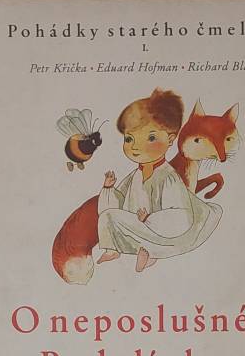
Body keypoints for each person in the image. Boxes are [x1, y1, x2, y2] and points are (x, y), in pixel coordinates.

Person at [95, 88, 221, 273]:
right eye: (129, 139)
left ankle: (152, 251)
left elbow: (180, 216)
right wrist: (108, 189)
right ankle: (115, 249)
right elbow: (117, 204)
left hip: (162, 232)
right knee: (108, 216)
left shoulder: (168, 177)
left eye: (151, 137)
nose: (135, 147)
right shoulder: (135, 175)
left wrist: (150, 220)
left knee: (149, 233)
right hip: (137, 230)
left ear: (170, 139)